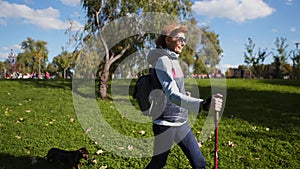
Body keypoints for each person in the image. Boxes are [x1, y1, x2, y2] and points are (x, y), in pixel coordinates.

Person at [145, 23, 223, 169]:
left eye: (184, 40)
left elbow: (173, 91)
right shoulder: (163, 61)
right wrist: (204, 104)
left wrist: (185, 95)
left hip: (181, 121)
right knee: (158, 163)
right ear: (168, 40)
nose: (183, 43)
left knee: (199, 162)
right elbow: (173, 94)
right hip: (165, 123)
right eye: (180, 39)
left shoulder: (173, 60)